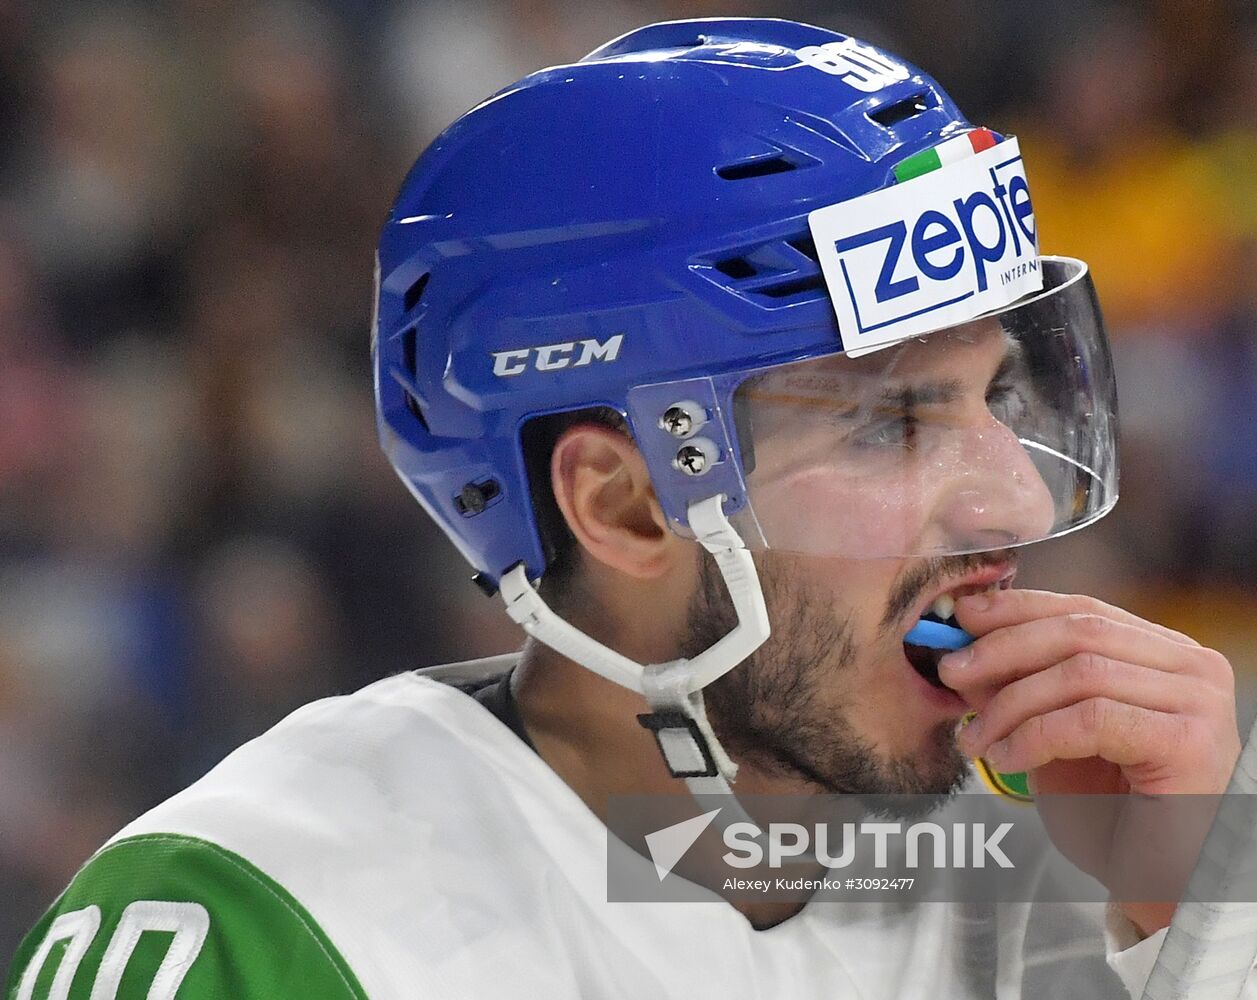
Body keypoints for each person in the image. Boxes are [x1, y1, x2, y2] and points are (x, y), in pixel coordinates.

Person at [7, 18, 1247, 1000]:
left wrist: (1208, 919)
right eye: (893, 424)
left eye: (999, 393)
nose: (1020, 496)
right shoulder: (262, 926)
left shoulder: (1094, 850)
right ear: (626, 503)